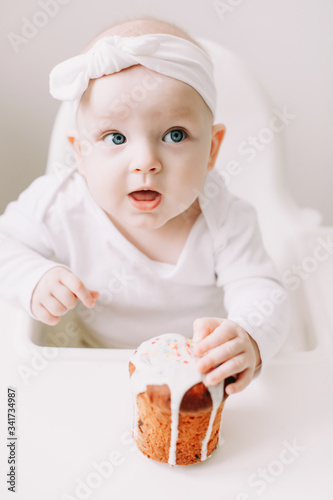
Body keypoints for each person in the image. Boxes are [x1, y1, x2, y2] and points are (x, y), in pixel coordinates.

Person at [0, 17, 289, 395]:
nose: (145, 162)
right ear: (80, 154)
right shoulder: (60, 204)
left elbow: (261, 289)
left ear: (212, 150)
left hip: (196, 372)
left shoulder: (225, 219)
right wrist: (33, 276)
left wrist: (249, 335)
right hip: (93, 360)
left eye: (175, 135)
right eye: (115, 137)